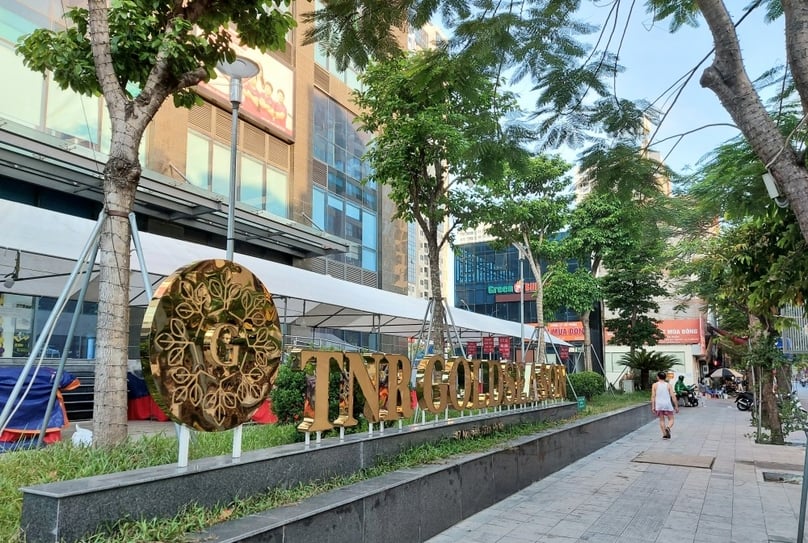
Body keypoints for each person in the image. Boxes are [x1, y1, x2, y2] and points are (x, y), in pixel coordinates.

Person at [651, 371, 678, 439]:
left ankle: (665, 434)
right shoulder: (668, 385)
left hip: (659, 405)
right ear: (665, 377)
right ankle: (668, 427)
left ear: (658, 377)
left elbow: (653, 396)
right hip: (667, 404)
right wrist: (676, 406)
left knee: (661, 420)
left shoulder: (654, 385)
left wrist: (653, 406)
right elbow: (673, 396)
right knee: (671, 419)